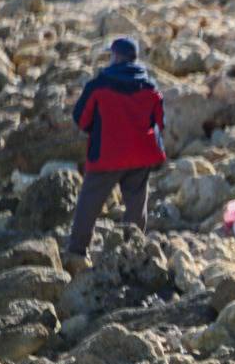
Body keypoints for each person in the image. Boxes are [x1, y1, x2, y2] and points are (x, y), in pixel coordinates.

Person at [67, 37, 166, 262]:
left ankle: (77, 252)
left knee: (90, 202)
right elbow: (160, 122)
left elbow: (81, 119)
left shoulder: (99, 85)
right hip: (141, 156)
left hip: (106, 155)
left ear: (116, 57)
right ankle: (132, 251)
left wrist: (97, 129)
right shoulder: (150, 87)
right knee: (137, 205)